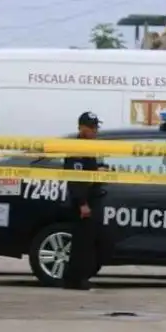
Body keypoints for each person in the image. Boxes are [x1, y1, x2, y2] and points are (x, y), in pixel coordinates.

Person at [62, 112, 106, 291]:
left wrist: (99, 170)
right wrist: (82, 204)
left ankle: (77, 277)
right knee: (82, 243)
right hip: (82, 203)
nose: (95, 131)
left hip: (89, 199)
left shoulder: (87, 146)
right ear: (81, 128)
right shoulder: (77, 149)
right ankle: (75, 279)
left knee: (87, 241)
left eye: (96, 127)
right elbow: (75, 179)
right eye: (92, 128)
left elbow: (87, 172)